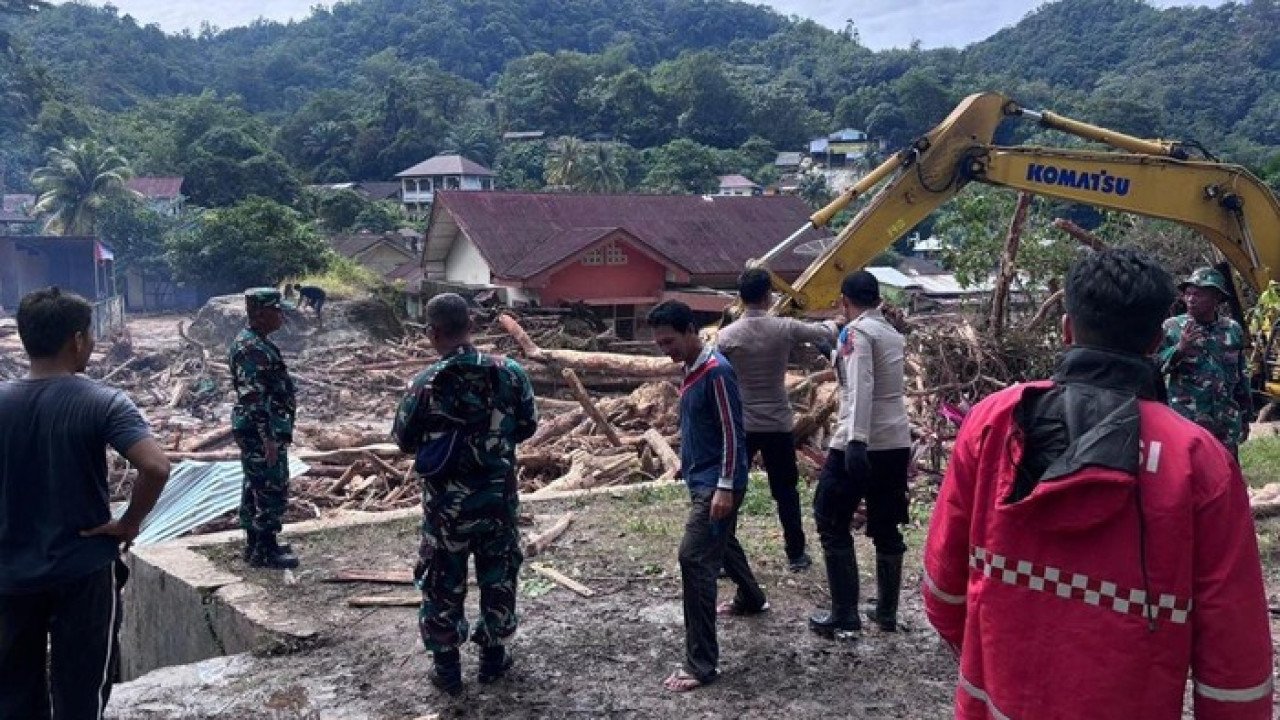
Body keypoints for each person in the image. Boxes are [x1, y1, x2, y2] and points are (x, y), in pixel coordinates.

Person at [923, 250, 1273, 719]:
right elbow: (1236, 658)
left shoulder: (993, 422)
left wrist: (995, 652)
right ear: (1155, 338)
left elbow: (943, 589)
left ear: (1067, 328)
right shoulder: (1200, 462)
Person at [0, 287, 171, 720]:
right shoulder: (102, 401)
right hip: (82, 569)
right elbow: (155, 467)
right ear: (77, 340)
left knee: (14, 692)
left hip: (8, 572)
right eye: (91, 336)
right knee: (82, 691)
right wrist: (129, 522)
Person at [392, 293, 537, 695]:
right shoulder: (510, 372)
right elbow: (527, 426)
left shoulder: (424, 384)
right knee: (499, 578)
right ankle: (493, 661)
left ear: (433, 332)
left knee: (441, 582)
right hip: (497, 503)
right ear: (470, 326)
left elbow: (404, 440)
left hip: (445, 510)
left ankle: (448, 670)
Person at [647, 300, 769, 693]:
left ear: (689, 330)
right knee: (724, 541)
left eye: (669, 341)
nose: (666, 349)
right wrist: (688, 459)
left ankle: (701, 664)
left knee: (694, 556)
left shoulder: (717, 373)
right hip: (703, 476)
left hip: (718, 483)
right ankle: (752, 599)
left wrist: (725, 485)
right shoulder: (691, 369)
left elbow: (735, 433)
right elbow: (702, 425)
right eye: (660, 343)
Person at [809, 270, 912, 638]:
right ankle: (885, 611)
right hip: (895, 441)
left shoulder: (856, 332)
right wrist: (835, 356)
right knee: (886, 524)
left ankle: (844, 613)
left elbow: (862, 386)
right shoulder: (890, 334)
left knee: (830, 519)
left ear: (845, 301)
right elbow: (868, 375)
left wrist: (856, 441)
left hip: (860, 440)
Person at [716, 267, 839, 572]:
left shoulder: (726, 337)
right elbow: (826, 333)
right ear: (768, 295)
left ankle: (722, 556)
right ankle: (796, 554)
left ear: (741, 298)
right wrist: (834, 319)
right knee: (786, 492)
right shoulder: (784, 327)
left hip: (743, 424)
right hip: (778, 424)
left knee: (731, 489)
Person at [229, 288, 299, 569]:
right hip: (262, 430)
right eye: (276, 309)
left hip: (264, 428)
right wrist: (268, 437)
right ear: (260, 313)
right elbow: (253, 396)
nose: (281, 315)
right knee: (270, 485)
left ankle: (257, 544)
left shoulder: (258, 342)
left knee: (256, 484)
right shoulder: (251, 349)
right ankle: (265, 549)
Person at [1156, 267, 1252, 456]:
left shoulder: (1232, 330)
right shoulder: (1172, 328)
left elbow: (1242, 375)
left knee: (1227, 479)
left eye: (1198, 294)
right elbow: (1154, 367)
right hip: (1187, 422)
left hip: (1225, 422)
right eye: (1188, 294)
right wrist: (1179, 349)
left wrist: (1246, 416)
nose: (1190, 299)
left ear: (1216, 298)